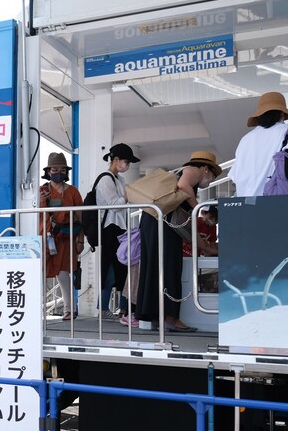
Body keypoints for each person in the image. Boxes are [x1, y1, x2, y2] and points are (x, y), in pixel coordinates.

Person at [138, 151, 222, 333]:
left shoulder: (181, 174)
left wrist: (205, 246)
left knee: (155, 267)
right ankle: (171, 318)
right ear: (206, 168)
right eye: (212, 175)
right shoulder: (194, 170)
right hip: (162, 223)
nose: (210, 180)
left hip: (153, 220)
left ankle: (156, 316)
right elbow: (184, 185)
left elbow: (187, 228)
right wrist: (196, 207)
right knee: (170, 267)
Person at [94, 143, 140, 323]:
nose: (127, 165)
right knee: (110, 270)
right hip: (109, 229)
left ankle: (123, 309)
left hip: (120, 228)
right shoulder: (106, 179)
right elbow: (114, 203)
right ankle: (104, 308)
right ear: (115, 160)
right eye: (125, 161)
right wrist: (129, 197)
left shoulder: (119, 179)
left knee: (123, 268)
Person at [228, 92, 288, 197]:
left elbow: (235, 177)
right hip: (276, 201)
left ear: (260, 116)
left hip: (246, 203)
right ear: (282, 114)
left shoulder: (245, 139)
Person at [40, 152, 84, 320]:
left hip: (66, 238)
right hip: (45, 238)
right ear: (48, 171)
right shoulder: (42, 190)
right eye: (54, 169)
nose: (58, 172)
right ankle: (36, 309)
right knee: (40, 272)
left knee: (64, 273)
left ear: (66, 171)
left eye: (62, 169)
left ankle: (70, 309)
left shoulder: (73, 192)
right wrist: (39, 200)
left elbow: (81, 219)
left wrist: (81, 240)